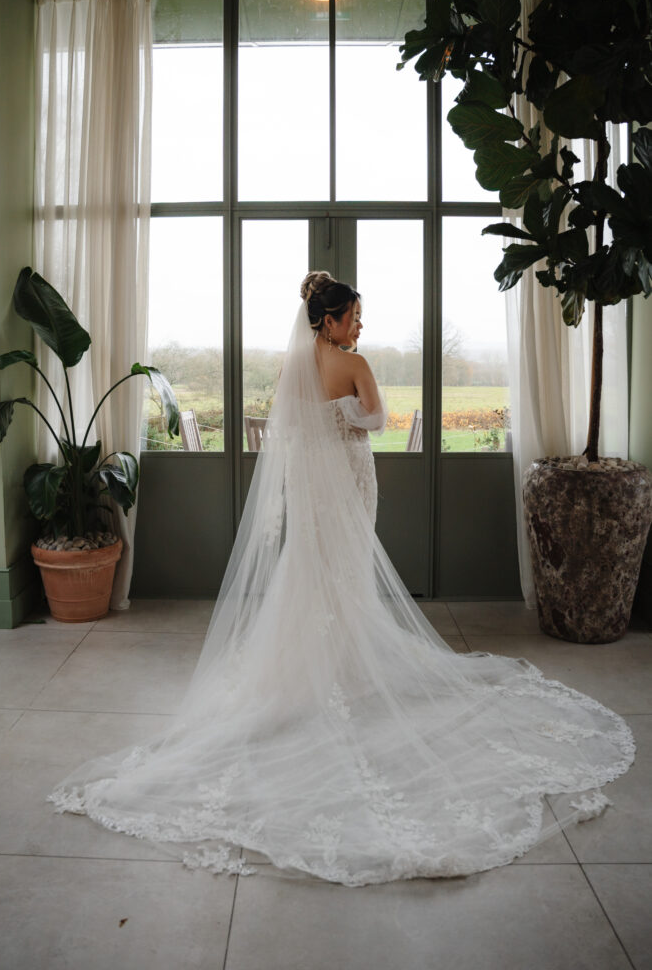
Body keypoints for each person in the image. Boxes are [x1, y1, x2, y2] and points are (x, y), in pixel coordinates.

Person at [47, 271, 635, 887]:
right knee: (345, 568)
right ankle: (346, 669)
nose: (360, 324)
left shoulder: (293, 365)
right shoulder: (354, 364)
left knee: (311, 564)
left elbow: (288, 429)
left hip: (309, 481)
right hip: (349, 477)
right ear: (328, 319)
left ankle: (315, 669)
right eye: (354, 314)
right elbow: (377, 423)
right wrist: (349, 416)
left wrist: (327, 423)